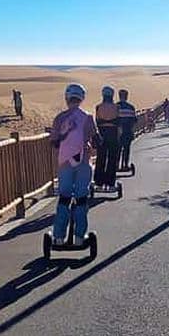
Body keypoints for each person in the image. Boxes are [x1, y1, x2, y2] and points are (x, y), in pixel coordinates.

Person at [49, 83, 97, 245]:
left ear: (67, 98)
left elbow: (54, 142)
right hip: (83, 162)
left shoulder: (60, 118)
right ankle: (78, 236)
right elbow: (96, 139)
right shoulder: (88, 117)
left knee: (64, 198)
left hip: (65, 163)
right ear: (82, 98)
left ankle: (58, 237)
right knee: (81, 198)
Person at [94, 85, 120, 191]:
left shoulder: (98, 107)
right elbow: (118, 122)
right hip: (113, 134)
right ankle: (110, 182)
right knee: (112, 159)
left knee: (101, 158)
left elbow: (97, 121)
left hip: (102, 134)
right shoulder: (116, 107)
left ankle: (99, 182)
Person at [116, 89, 136, 170]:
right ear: (127, 97)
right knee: (126, 149)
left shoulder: (115, 106)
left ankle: (116, 165)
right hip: (128, 131)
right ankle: (125, 165)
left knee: (118, 149)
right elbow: (134, 120)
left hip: (118, 132)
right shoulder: (131, 107)